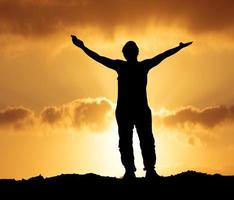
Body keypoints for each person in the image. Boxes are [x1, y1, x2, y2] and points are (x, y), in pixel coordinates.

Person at [71, 35, 192, 179]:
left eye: (129, 51)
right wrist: (83, 47)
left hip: (134, 110)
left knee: (141, 140)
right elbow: (162, 56)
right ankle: (135, 171)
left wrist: (83, 47)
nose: (128, 54)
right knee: (131, 141)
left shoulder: (129, 66)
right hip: (128, 111)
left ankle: (144, 170)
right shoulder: (133, 66)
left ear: (130, 53)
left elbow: (162, 56)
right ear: (133, 53)